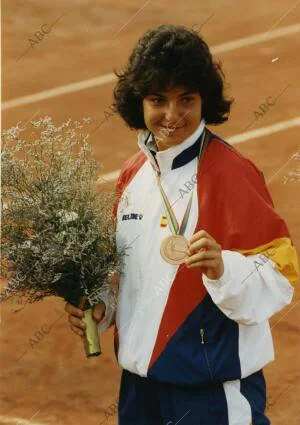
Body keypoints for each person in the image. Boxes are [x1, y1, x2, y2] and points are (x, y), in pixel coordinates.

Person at [65, 24, 299, 425]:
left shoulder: (233, 173)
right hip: (140, 391)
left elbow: (280, 280)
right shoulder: (132, 175)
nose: (172, 116)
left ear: (204, 100)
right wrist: (103, 309)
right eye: (158, 99)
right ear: (138, 102)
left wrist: (224, 269)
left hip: (212, 394)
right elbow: (129, 274)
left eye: (185, 99)